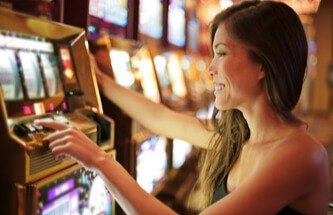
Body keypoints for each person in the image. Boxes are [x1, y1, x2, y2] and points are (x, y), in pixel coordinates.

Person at [35, 1, 330, 214]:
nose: (210, 68)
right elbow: (161, 118)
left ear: (262, 65)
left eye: (221, 53)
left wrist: (100, 160)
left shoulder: (302, 155)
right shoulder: (241, 134)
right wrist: (97, 79)